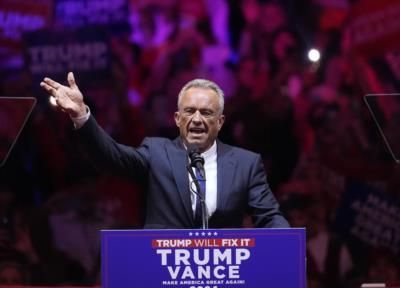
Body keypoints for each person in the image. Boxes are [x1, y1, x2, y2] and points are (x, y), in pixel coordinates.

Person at [40, 72, 289, 230]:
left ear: (221, 122)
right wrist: (82, 116)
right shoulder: (157, 153)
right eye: (190, 112)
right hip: (164, 285)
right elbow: (111, 157)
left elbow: (269, 216)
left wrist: (289, 244)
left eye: (207, 113)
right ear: (177, 119)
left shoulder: (246, 164)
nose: (197, 120)